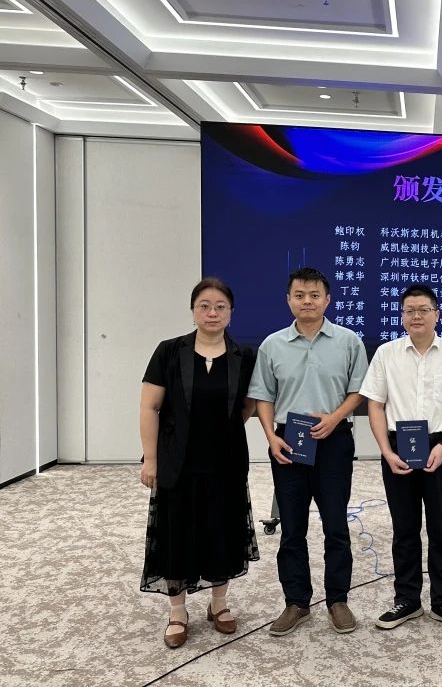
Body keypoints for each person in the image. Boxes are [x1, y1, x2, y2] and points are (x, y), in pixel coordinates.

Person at [139, 278, 260, 648]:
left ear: (231, 313)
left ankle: (219, 605)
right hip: (178, 461)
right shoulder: (169, 351)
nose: (212, 313)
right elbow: (149, 407)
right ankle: (177, 612)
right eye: (204, 306)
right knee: (176, 533)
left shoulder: (244, 355)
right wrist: (151, 459)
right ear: (193, 311)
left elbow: (248, 406)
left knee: (221, 531)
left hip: (225, 461)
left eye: (220, 306)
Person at [248, 267, 368, 636]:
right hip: (288, 441)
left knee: (336, 525)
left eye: (315, 295)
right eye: (299, 295)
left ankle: (338, 600)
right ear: (289, 300)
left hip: (334, 439)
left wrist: (335, 417)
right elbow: (263, 396)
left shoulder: (348, 341)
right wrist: (270, 438)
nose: (307, 301)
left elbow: (359, 391)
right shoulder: (272, 345)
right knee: (292, 527)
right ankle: (296, 602)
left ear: (327, 299)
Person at [360, 285, 442, 631]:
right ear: (402, 316)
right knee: (404, 528)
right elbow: (375, 405)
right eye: (409, 310)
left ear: (436, 314)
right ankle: (407, 600)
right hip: (398, 447)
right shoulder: (386, 354)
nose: (416, 316)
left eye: (423, 309)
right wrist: (386, 451)